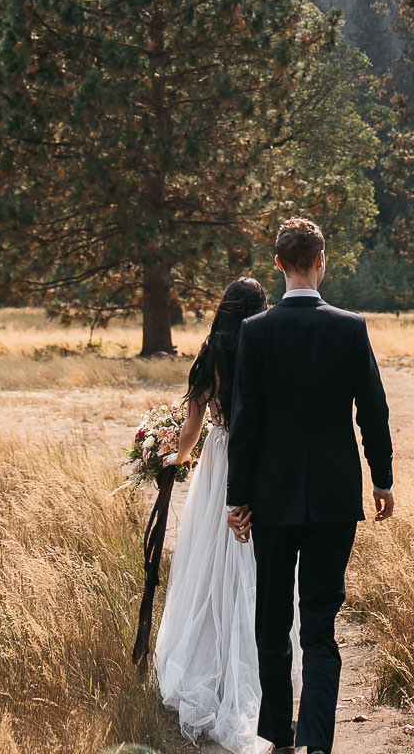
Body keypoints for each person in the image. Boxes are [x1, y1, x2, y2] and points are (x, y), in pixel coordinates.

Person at [226, 217, 394, 754]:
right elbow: (373, 409)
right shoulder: (350, 327)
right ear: (323, 261)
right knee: (320, 626)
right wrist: (383, 478)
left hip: (271, 503)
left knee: (272, 622)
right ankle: (318, 741)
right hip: (333, 500)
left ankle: (278, 736)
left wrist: (238, 496)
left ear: (278, 264)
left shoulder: (257, 331)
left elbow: (246, 421)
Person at [155, 275, 269, 753]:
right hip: (256, 465)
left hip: (217, 465)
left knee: (206, 568)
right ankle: (246, 670)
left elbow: (191, 431)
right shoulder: (264, 350)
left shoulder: (209, 358)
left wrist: (169, 459)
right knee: (251, 570)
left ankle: (207, 665)